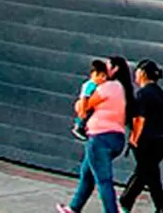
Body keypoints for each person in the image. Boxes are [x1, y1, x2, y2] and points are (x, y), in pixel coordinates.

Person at [57, 55, 136, 213]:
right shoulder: (122, 88)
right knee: (87, 174)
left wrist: (86, 92)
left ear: (115, 69)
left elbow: (81, 109)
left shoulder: (106, 87)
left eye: (108, 66)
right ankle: (74, 208)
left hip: (100, 138)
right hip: (116, 138)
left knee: (103, 180)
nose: (104, 69)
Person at [120, 59, 163, 212]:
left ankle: (126, 201)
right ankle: (157, 207)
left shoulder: (143, 94)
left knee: (146, 173)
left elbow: (139, 119)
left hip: (147, 141)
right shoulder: (160, 92)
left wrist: (133, 139)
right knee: (149, 173)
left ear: (142, 73)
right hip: (162, 141)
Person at [71, 59, 109, 141]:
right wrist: (83, 110)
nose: (104, 79)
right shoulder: (91, 85)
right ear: (94, 75)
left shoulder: (96, 85)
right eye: (101, 76)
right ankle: (78, 127)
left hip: (90, 104)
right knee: (84, 117)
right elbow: (84, 97)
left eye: (105, 76)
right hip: (85, 104)